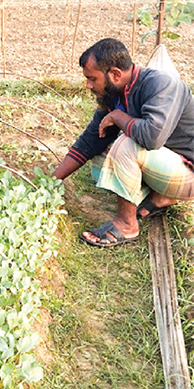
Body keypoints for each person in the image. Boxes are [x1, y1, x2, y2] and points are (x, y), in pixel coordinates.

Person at [52, 38, 194, 247]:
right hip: (168, 166)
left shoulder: (161, 84)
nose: (88, 85)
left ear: (116, 74)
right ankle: (161, 196)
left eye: (92, 79)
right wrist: (51, 181)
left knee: (126, 145)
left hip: (189, 172)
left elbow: (151, 137)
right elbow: (90, 142)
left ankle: (127, 225)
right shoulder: (114, 94)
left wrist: (119, 117)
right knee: (103, 154)